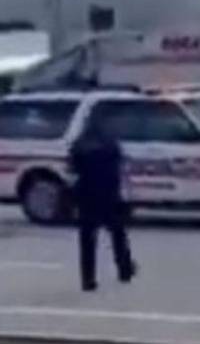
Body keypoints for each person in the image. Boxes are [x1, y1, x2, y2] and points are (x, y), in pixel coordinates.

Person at [68, 112, 136, 292]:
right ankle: (125, 270)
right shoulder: (110, 144)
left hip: (86, 195)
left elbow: (72, 168)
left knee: (87, 241)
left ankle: (88, 280)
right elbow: (119, 166)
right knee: (118, 234)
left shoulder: (80, 145)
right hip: (108, 194)